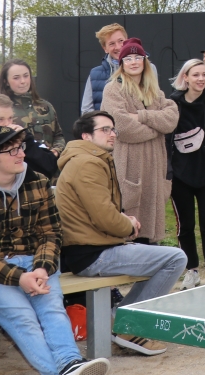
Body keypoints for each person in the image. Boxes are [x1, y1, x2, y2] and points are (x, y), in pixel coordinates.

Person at [0, 125, 110, 375]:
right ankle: (63, 370)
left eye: (21, 147)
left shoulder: (38, 183)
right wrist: (20, 278)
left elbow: (51, 233)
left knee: (52, 309)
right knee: (23, 318)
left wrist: (42, 267)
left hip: (35, 262)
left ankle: (70, 363)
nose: (21, 154)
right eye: (11, 151)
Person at [55, 110, 188, 356]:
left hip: (94, 247)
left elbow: (99, 211)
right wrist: (128, 226)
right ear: (86, 136)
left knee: (162, 259)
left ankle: (122, 321)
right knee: (175, 258)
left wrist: (124, 220)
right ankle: (127, 325)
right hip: (91, 254)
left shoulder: (88, 159)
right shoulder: (87, 163)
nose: (112, 134)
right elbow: (104, 216)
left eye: (113, 129)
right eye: (104, 129)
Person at [101, 38, 180, 244]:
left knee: (151, 232)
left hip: (155, 165)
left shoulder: (154, 91)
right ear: (121, 63)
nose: (134, 62)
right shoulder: (113, 89)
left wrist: (142, 116)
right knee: (130, 228)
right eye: (128, 58)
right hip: (129, 164)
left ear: (145, 61)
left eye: (138, 57)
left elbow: (171, 118)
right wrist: (157, 127)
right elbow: (123, 127)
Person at [167, 59, 205, 288]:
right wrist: (167, 174)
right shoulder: (171, 104)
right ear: (185, 77)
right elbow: (165, 141)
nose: (201, 79)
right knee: (185, 226)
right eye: (196, 75)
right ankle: (191, 270)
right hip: (180, 177)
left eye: (204, 74)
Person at [0, 58, 65, 174]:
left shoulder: (46, 106)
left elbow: (58, 135)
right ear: (6, 81)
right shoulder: (3, 111)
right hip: (21, 172)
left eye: (26, 76)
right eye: (16, 78)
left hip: (51, 171)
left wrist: (55, 151)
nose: (23, 81)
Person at [81, 23, 157, 113]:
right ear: (105, 48)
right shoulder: (95, 74)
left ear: (127, 41)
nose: (118, 47)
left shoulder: (149, 68)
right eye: (111, 44)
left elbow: (156, 101)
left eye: (121, 41)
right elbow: (86, 110)